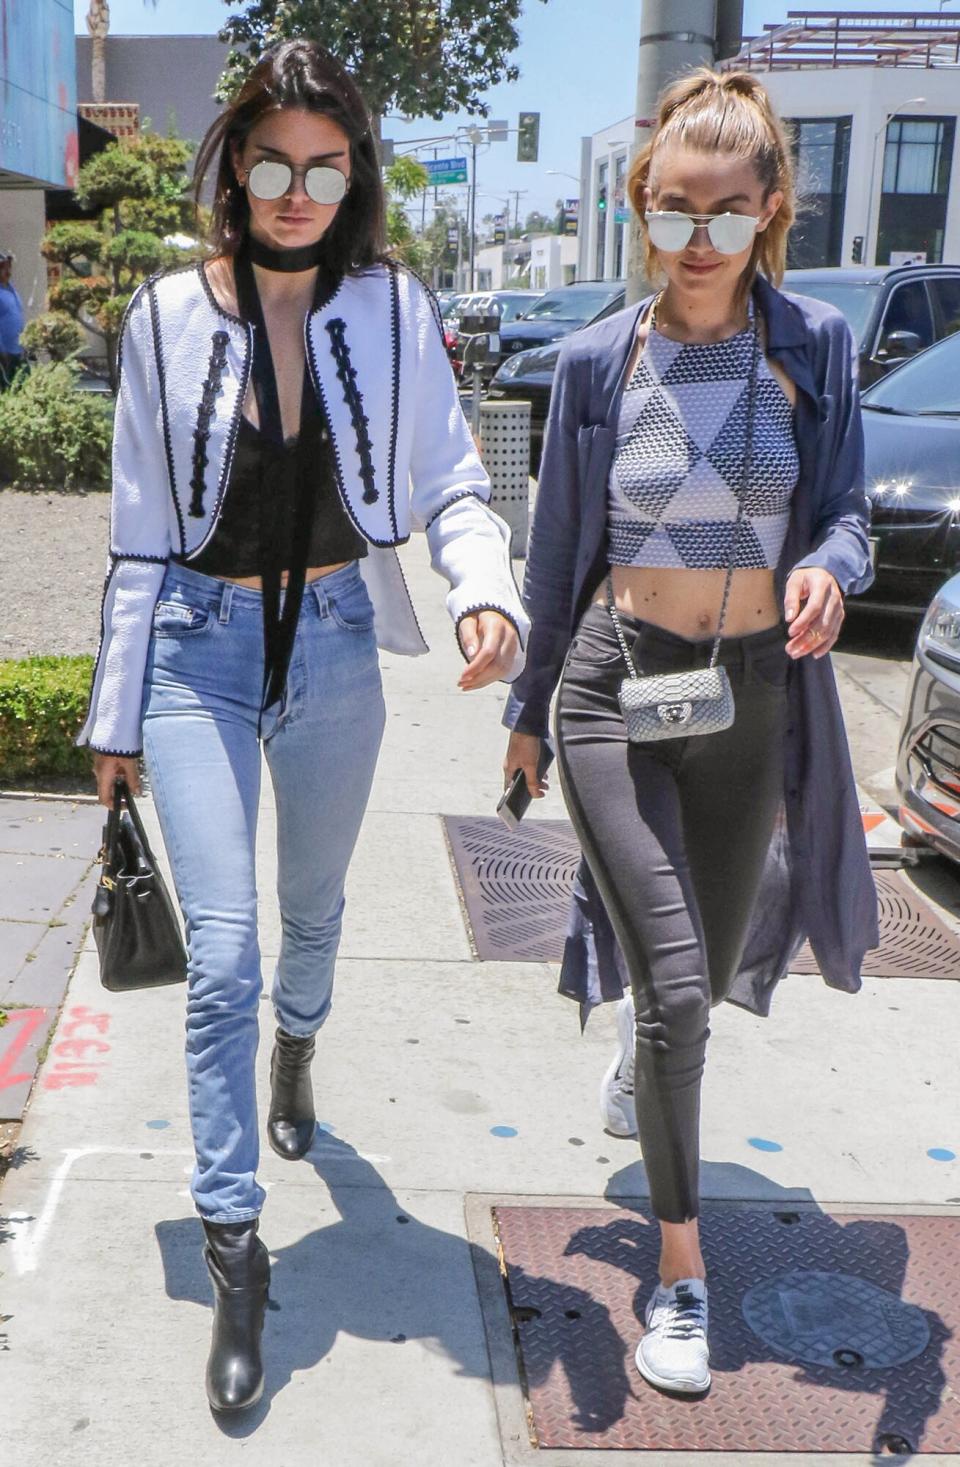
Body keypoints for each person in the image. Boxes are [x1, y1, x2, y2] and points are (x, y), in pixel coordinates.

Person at [78, 40, 527, 1414]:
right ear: (232, 165)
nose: (295, 190)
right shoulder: (161, 315)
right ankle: (233, 1246)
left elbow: (453, 474)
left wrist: (482, 592)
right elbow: (139, 535)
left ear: (355, 174)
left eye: (324, 166)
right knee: (224, 953)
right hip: (197, 660)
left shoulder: (393, 305)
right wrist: (114, 712)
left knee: (312, 913)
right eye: (271, 161)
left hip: (337, 644)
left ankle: (302, 1044)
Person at [503, 68, 876, 1397]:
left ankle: (645, 1052)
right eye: (674, 210)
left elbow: (843, 512)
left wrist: (832, 565)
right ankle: (680, 1271)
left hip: (747, 698)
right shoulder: (600, 358)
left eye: (728, 209)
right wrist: (525, 718)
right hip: (614, 689)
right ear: (637, 207)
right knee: (676, 991)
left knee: (699, 980)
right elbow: (556, 563)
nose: (700, 238)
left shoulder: (813, 345)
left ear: (771, 208)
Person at [0, 249, 26, 389]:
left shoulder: (11, 289)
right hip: (4, 353)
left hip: (18, 350)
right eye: (4, 268)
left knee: (22, 388)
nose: (8, 272)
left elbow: (16, 316)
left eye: (9, 267)